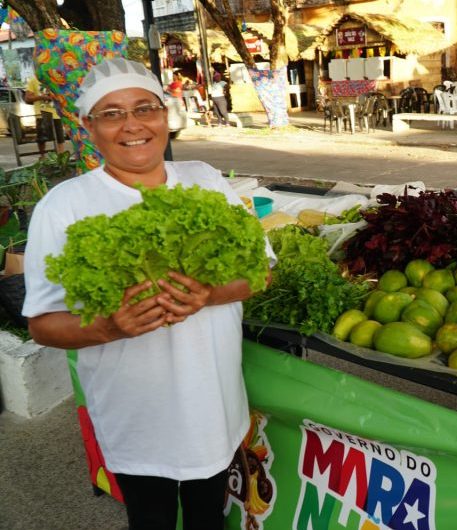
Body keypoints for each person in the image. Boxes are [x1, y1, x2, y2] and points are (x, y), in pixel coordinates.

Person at [21, 57, 274, 530]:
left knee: (208, 518)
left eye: (145, 108)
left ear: (166, 115)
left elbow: (260, 272)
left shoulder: (206, 179)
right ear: (87, 127)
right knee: (150, 519)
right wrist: (109, 326)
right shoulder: (64, 206)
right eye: (111, 113)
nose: (132, 125)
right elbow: (42, 325)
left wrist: (208, 294)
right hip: (136, 415)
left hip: (214, 403)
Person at [24, 75, 66, 156]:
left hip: (56, 114)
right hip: (41, 114)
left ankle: (62, 158)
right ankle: (42, 157)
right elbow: (27, 98)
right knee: (41, 139)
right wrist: (42, 97)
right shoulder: (33, 80)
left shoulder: (55, 79)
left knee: (60, 139)